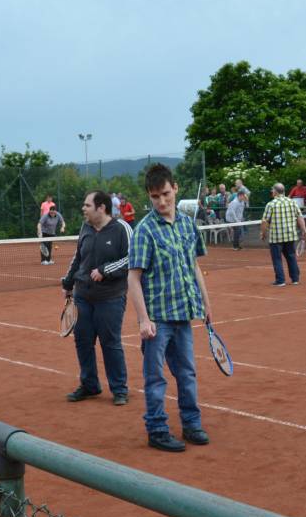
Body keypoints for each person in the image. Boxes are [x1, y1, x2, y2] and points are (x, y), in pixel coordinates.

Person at [127, 164, 213, 453]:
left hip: (184, 314)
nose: (161, 202)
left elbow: (194, 266)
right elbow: (133, 277)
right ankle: (157, 429)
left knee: (187, 373)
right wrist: (143, 319)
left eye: (165, 194)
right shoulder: (144, 231)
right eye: (155, 197)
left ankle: (191, 423)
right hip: (158, 320)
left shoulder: (189, 224)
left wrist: (206, 303)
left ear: (175, 188)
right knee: (155, 378)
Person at [62, 191, 132, 405]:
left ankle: (119, 389)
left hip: (111, 297)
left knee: (110, 343)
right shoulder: (85, 228)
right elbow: (78, 257)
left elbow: (133, 257)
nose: (83, 209)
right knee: (83, 342)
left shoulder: (122, 229)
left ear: (101, 207)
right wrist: (69, 281)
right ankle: (90, 385)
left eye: (87, 205)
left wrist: (105, 270)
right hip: (83, 295)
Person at [262, 182, 306, 285]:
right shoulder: (292, 202)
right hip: (290, 235)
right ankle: (295, 279)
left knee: (277, 259)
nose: (272, 192)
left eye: (272, 190)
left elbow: (265, 221)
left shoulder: (271, 204)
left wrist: (263, 233)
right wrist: (304, 230)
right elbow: (300, 217)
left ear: (275, 191)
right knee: (291, 256)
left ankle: (280, 280)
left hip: (276, 237)